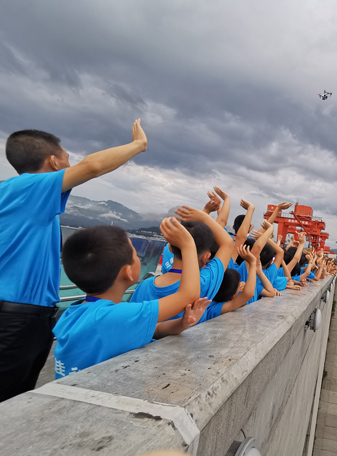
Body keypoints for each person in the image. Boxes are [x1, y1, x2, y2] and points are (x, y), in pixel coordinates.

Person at [0, 119, 147, 401]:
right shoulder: (28, 188)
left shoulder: (18, 197)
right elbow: (92, 166)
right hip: (14, 319)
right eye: (67, 158)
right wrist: (138, 145)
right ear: (54, 161)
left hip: (24, 318)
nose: (71, 165)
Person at [53, 219, 204, 378]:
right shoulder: (113, 316)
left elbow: (155, 329)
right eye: (135, 254)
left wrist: (182, 323)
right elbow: (188, 295)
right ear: (128, 272)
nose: (138, 258)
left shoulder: (74, 312)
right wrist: (188, 245)